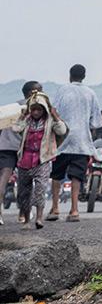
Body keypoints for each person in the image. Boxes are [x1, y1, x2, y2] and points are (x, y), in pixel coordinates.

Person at [49, 64, 102, 222]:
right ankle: (74, 210)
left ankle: (55, 209)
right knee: (76, 177)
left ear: (70, 75)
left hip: (63, 140)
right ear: (84, 77)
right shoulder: (91, 93)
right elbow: (96, 122)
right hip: (82, 142)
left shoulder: (63, 90)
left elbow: (53, 111)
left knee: (57, 175)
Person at [13, 92, 68, 230]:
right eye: (33, 109)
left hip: (42, 159)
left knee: (40, 189)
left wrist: (55, 116)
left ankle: (39, 218)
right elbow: (16, 128)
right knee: (24, 192)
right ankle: (26, 220)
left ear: (44, 110)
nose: (36, 112)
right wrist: (22, 116)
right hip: (25, 159)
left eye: (39, 109)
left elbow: (61, 131)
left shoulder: (49, 121)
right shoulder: (27, 121)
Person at [0, 80, 42, 226]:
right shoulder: (36, 108)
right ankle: (23, 214)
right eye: (40, 90)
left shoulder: (13, 107)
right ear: (32, 93)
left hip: (5, 147)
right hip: (24, 149)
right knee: (26, 181)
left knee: (3, 179)